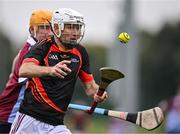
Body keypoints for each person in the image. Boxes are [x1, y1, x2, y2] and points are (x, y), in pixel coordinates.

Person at [10, 8, 107, 134]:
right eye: (70, 27)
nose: (75, 33)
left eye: (77, 28)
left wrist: (98, 93)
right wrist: (50, 70)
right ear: (57, 28)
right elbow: (24, 69)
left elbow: (90, 87)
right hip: (30, 120)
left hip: (56, 125)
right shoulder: (43, 46)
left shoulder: (80, 52)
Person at [0, 9, 52, 133]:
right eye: (43, 28)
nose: (49, 33)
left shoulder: (37, 49)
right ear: (32, 30)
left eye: (51, 28)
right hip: (9, 117)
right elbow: (30, 84)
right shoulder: (30, 51)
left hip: (23, 118)